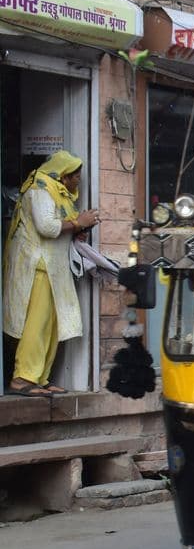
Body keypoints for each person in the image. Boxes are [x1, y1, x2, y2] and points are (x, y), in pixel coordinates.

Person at [4, 150, 96, 396]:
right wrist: (79, 223)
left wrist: (77, 230)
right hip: (38, 266)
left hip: (54, 268)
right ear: (63, 175)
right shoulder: (40, 189)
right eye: (76, 175)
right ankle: (23, 378)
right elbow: (46, 226)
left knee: (53, 325)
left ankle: (41, 378)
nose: (79, 180)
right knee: (37, 323)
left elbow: (62, 224)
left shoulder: (60, 193)